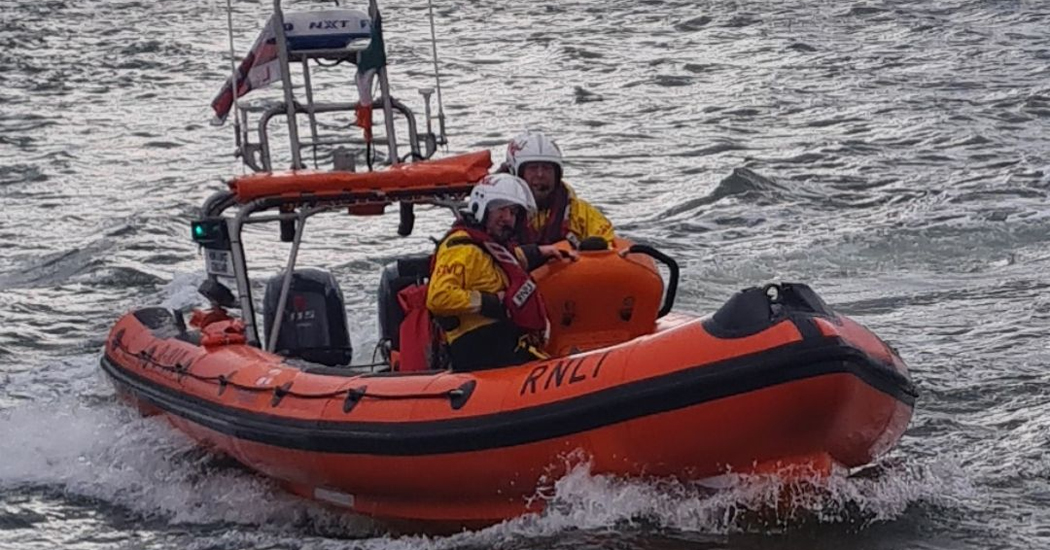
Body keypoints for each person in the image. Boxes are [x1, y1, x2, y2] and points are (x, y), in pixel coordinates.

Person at [426, 173, 576, 371]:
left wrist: (540, 252)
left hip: (503, 342)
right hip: (478, 348)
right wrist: (490, 301)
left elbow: (508, 261)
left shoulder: (489, 245)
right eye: (501, 209)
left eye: (513, 213)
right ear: (483, 207)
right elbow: (438, 297)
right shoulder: (461, 248)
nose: (507, 218)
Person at [504, 131, 616, 247]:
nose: (540, 174)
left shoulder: (579, 213)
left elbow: (610, 243)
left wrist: (595, 251)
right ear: (516, 173)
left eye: (547, 168)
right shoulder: (499, 213)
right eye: (532, 168)